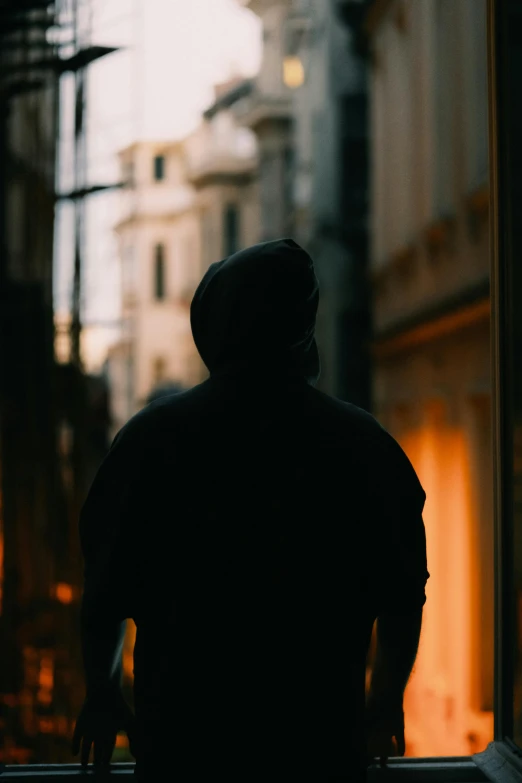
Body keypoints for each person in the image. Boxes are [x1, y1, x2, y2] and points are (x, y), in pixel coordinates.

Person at [72, 238, 429, 781]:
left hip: (183, 751)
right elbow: (402, 595)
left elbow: (104, 592)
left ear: (211, 325)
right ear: (302, 325)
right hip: (318, 750)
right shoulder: (364, 446)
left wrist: (103, 691)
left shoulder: (148, 443)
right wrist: (383, 702)